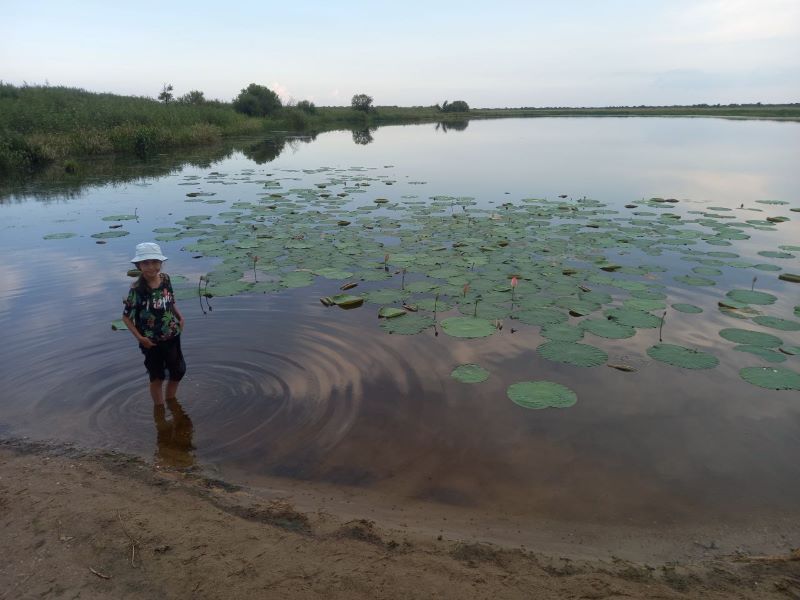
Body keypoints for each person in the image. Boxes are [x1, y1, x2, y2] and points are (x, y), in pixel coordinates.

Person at [121, 242, 186, 406]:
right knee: (157, 376)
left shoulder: (166, 279)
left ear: (160, 263)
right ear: (139, 265)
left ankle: (171, 402)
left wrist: (180, 316)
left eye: (155, 262)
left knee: (178, 372)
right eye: (145, 263)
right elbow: (126, 318)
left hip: (171, 334)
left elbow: (170, 301)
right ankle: (159, 406)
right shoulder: (137, 290)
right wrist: (140, 338)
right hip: (151, 341)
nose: (151, 267)